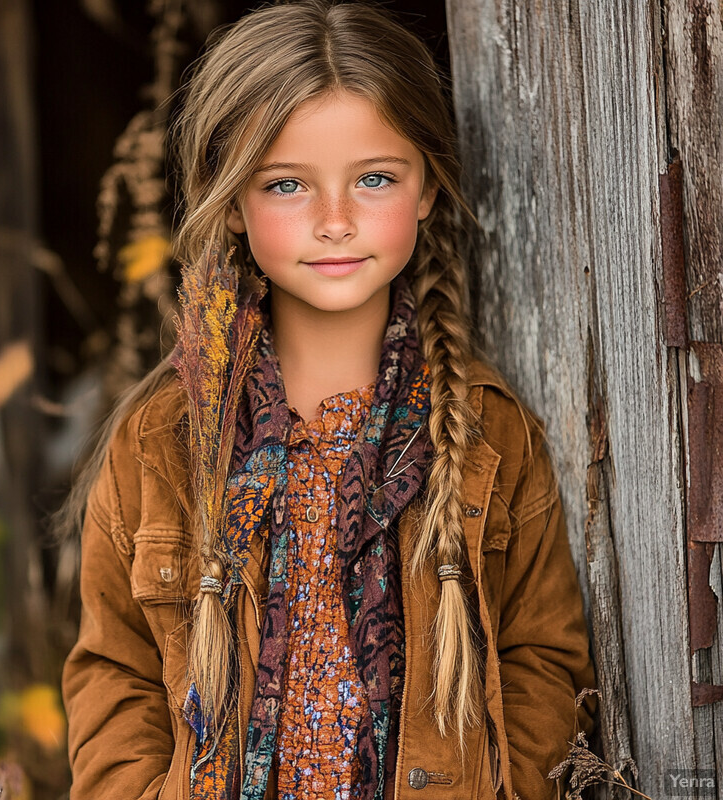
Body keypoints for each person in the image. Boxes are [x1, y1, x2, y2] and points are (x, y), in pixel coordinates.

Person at [59, 1, 597, 799]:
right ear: (232, 204)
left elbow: (542, 660)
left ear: (426, 187)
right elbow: (115, 676)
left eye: (375, 178)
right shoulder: (160, 444)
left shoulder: (488, 435)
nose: (337, 221)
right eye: (286, 186)